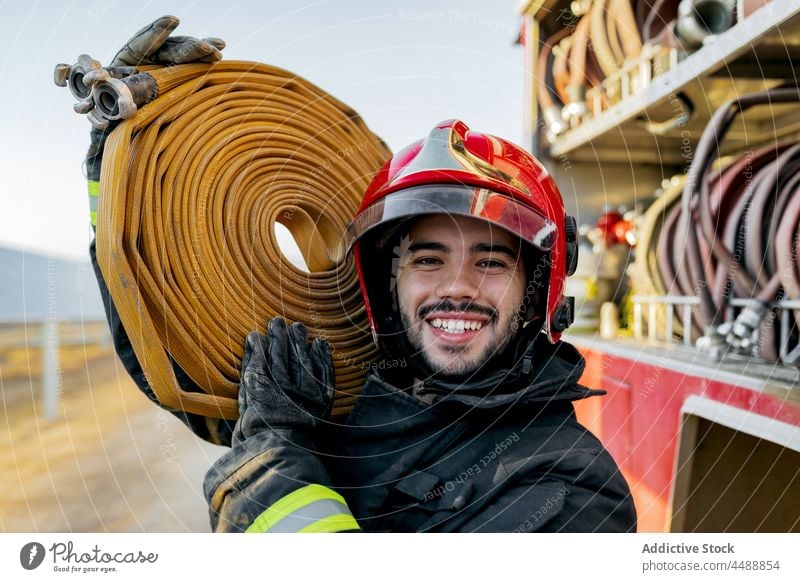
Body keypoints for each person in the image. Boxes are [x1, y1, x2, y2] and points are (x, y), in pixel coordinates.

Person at [84, 18, 637, 533]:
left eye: (491, 261)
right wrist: (124, 166)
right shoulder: (354, 400)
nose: (456, 288)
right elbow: (191, 376)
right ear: (383, 283)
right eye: (428, 259)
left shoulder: (572, 491)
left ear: (538, 292)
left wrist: (272, 469)